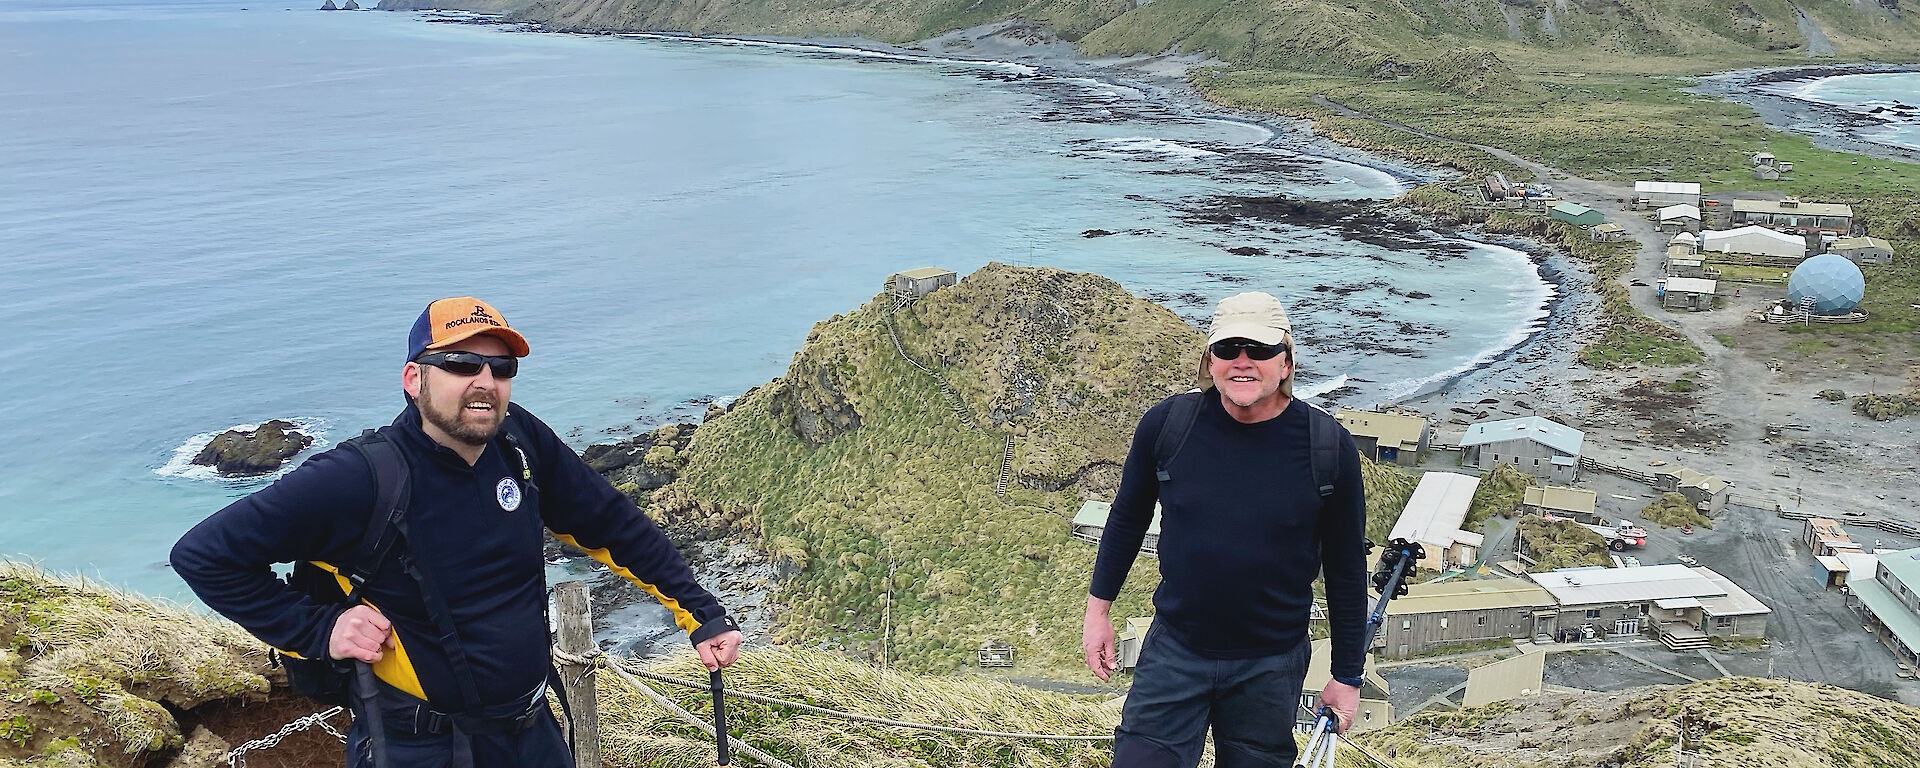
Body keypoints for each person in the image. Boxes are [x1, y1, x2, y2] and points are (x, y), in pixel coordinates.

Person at [172, 297, 743, 768]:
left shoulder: (520, 442)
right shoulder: (359, 479)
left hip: (532, 730)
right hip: (417, 744)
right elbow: (203, 555)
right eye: (463, 364)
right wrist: (320, 627)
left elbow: (610, 524)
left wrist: (699, 611)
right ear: (413, 378)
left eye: (501, 368)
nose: (485, 382)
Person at [1081, 292, 1369, 768]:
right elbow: (1127, 518)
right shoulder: (1168, 425)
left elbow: (1344, 568)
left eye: (1258, 351)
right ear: (1209, 361)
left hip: (1271, 665)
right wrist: (1098, 614)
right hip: (1176, 649)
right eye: (1228, 349)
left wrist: (1347, 676)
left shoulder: (1327, 445)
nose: (1242, 362)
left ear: (1285, 362)